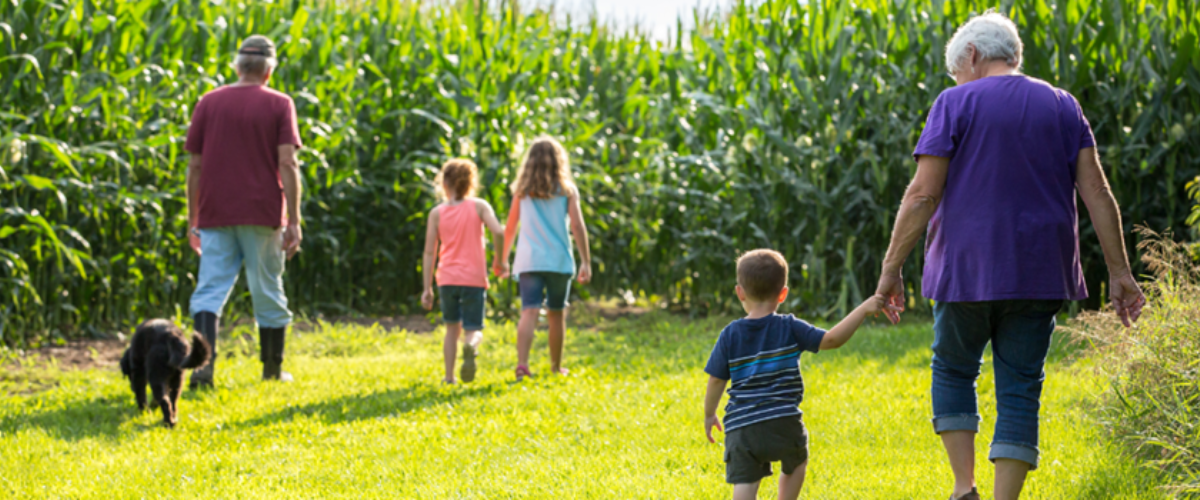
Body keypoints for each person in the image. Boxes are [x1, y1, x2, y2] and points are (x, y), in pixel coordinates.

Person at [873, 12, 1146, 500]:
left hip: (964, 270)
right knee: (1021, 386)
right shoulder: (1063, 105)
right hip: (1041, 272)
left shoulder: (954, 102)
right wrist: (1121, 273)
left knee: (954, 369)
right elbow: (1097, 192)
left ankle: (963, 489)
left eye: (957, 70)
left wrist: (890, 271)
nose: (956, 80)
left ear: (972, 56)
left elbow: (921, 195)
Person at [703, 249, 887, 500]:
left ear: (739, 292)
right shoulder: (789, 326)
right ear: (783, 293)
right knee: (796, 462)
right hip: (783, 421)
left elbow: (716, 379)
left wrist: (709, 414)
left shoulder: (730, 334)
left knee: (745, 482)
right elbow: (831, 339)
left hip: (742, 427)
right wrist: (863, 309)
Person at [184, 35, 304, 388]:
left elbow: (194, 166)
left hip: (215, 212)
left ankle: (202, 371)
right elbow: (288, 162)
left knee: (209, 292)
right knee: (267, 289)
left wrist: (194, 220)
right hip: (263, 212)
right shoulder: (280, 104)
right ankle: (271, 371)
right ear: (269, 72)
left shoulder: (209, 102)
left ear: (237, 66)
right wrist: (294, 220)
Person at [495, 137, 592, 381]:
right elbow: (578, 227)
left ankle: (522, 365)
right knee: (556, 313)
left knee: (529, 311)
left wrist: (502, 259)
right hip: (559, 261)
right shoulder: (567, 190)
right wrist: (586, 261)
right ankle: (555, 366)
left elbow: (510, 227)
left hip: (529, 261)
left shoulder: (522, 192)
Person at [420, 159, 505, 384]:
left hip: (446, 279)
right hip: (473, 279)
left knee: (451, 329)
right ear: (470, 183)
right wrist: (500, 260)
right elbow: (498, 232)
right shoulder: (479, 206)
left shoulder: (436, 213)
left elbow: (429, 252)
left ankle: (449, 377)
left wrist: (427, 288)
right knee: (473, 329)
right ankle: (471, 346)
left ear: (444, 183)